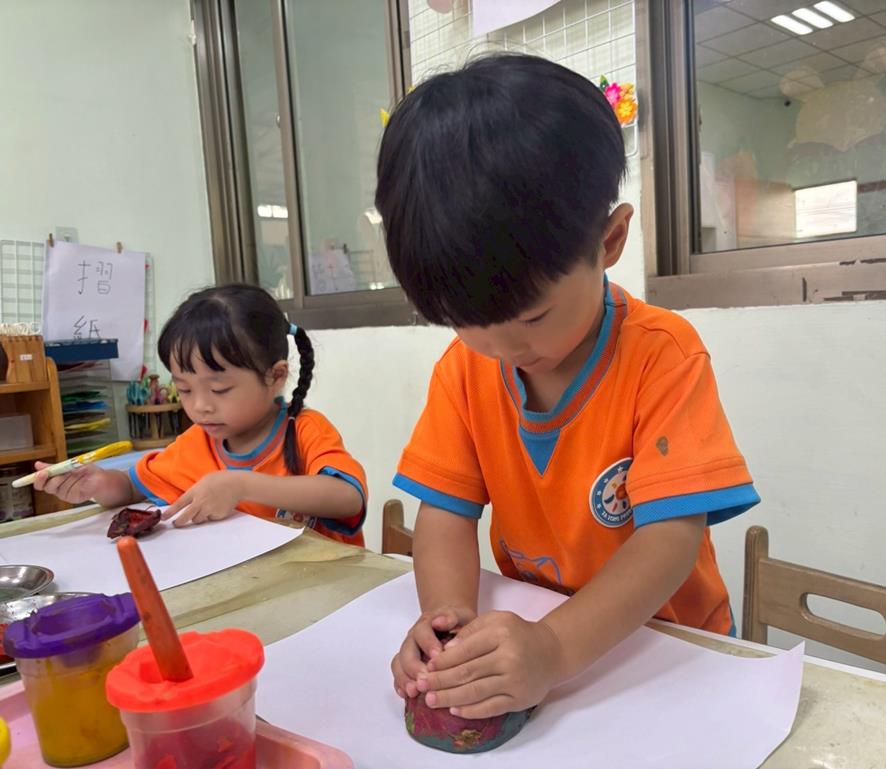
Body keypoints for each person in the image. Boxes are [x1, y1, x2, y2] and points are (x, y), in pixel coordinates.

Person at [376, 53, 760, 719]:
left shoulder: (662, 355)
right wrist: (447, 619)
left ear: (609, 241)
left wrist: (554, 648)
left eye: (531, 318)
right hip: (537, 640)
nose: (503, 349)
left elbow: (670, 539)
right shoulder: (463, 369)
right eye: (469, 324)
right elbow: (444, 512)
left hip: (671, 652)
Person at [34, 283, 367, 544]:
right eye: (185, 389)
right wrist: (97, 483)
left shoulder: (304, 430)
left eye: (219, 389)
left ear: (275, 376)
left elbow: (348, 498)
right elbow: (131, 486)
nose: (200, 406)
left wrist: (242, 485)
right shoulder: (197, 442)